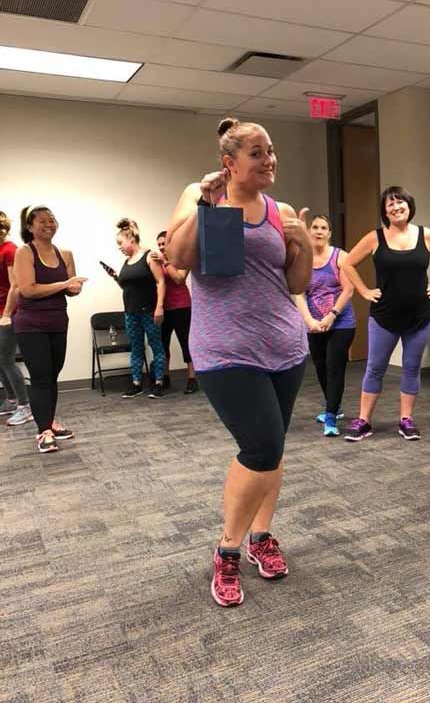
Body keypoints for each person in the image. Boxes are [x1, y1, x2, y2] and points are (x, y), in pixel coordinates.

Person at [166, 117, 311, 608]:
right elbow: (179, 262)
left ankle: (261, 536)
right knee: (261, 445)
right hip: (225, 348)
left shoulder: (280, 210)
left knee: (272, 447)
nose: (269, 159)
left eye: (271, 151)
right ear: (229, 163)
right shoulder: (199, 195)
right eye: (257, 152)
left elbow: (296, 283)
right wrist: (205, 207)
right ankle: (227, 549)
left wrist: (304, 241)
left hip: (283, 346)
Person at [342, 186, 430, 442]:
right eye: (390, 204)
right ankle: (364, 421)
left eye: (400, 201)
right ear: (385, 212)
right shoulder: (375, 238)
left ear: (409, 206)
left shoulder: (426, 235)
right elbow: (347, 263)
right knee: (375, 368)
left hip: (420, 317)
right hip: (384, 317)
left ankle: (406, 420)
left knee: (411, 368)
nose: (395, 207)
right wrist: (364, 291)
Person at [13, 206, 86, 453]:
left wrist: (74, 288)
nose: (49, 224)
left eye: (52, 220)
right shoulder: (25, 252)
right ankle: (43, 432)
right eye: (42, 221)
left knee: (52, 375)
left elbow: (70, 289)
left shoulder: (65, 253)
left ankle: (49, 422)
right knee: (41, 376)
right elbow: (28, 290)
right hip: (31, 324)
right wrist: (64, 283)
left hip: (57, 322)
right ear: (30, 226)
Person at [295, 214, 355, 436]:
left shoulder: (341, 257)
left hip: (341, 323)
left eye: (323, 228)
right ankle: (335, 407)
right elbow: (299, 293)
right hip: (315, 323)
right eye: (315, 227)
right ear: (309, 231)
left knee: (333, 367)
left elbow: (349, 289)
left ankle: (331, 417)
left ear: (329, 233)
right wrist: (309, 321)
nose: (319, 231)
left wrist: (331, 316)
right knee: (320, 366)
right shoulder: (302, 260)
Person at [116, 218, 166, 399]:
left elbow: (161, 282)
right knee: (136, 348)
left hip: (149, 311)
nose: (119, 247)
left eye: (121, 243)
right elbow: (129, 287)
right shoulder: (126, 262)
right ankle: (136, 383)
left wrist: (159, 307)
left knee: (156, 347)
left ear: (131, 239)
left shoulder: (149, 256)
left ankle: (159, 383)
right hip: (131, 312)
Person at [150, 231, 197, 394]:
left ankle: (192, 379)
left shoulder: (182, 259)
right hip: (164, 308)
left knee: (186, 343)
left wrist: (165, 262)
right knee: (163, 345)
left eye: (164, 243)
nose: (162, 247)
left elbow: (179, 278)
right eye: (159, 244)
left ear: (170, 243)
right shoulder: (157, 261)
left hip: (181, 306)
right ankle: (165, 377)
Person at [0, 211, 33, 427]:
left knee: (6, 358)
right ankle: (11, 400)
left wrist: (6, 314)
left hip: (8, 312)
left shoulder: (10, 250)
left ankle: (25, 406)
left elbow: (16, 285)